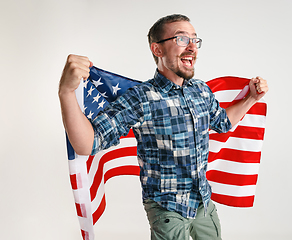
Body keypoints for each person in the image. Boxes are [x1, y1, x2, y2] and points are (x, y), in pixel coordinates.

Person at [59, 14, 268, 240]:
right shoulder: (141, 98)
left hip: (203, 203)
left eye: (194, 40)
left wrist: (251, 99)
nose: (191, 47)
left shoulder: (200, 90)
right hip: (167, 208)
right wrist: (66, 92)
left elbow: (223, 122)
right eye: (181, 39)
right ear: (157, 50)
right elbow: (88, 143)